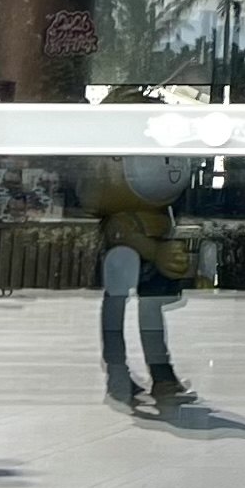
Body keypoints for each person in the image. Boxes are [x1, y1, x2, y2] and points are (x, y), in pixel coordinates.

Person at [81, 134, 199, 413]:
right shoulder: (121, 218)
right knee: (118, 308)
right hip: (125, 262)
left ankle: (160, 376)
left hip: (150, 271)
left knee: (147, 311)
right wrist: (155, 251)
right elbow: (122, 234)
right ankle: (120, 373)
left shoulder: (159, 210)